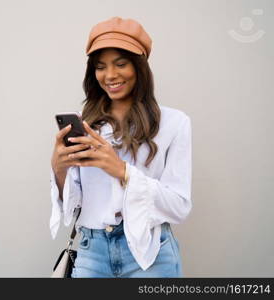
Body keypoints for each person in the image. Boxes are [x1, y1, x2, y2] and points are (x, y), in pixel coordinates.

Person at [49, 16, 192, 278]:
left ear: (139, 67)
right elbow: (74, 203)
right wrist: (58, 169)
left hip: (150, 254)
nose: (110, 75)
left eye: (121, 64)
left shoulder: (174, 123)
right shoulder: (87, 124)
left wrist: (122, 171)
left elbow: (179, 206)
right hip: (92, 252)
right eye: (100, 67)